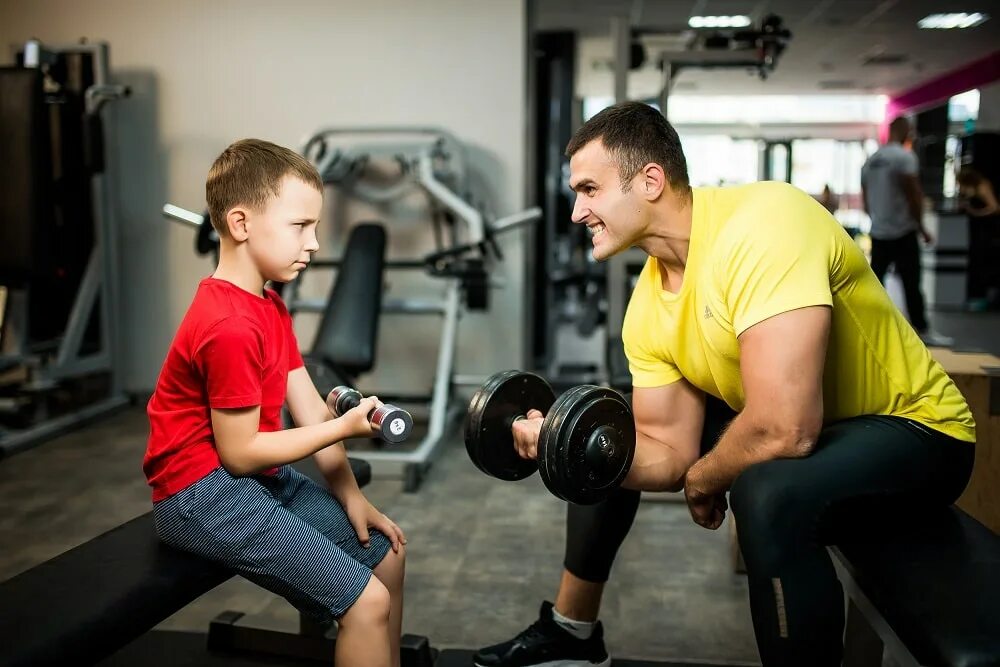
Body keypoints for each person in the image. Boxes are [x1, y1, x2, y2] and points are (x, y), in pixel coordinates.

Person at [474, 102, 975, 667]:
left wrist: (706, 479)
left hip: (916, 432)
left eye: (589, 189)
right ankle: (572, 633)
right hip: (823, 431)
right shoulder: (648, 303)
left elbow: (785, 429)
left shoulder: (764, 224)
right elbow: (665, 450)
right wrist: (560, 444)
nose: (575, 211)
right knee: (602, 431)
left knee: (766, 493)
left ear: (651, 180)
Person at [143, 139, 406, 667]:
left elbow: (309, 408)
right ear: (241, 224)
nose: (313, 243)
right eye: (300, 226)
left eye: (315, 227)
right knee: (366, 602)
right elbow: (240, 453)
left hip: (251, 477)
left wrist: (353, 497)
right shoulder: (230, 325)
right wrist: (345, 428)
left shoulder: (268, 306)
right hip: (199, 493)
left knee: (389, 559)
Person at [861, 117, 953, 346]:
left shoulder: (872, 160)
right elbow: (913, 194)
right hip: (902, 232)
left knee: (874, 284)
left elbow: (865, 197)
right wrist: (922, 227)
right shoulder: (903, 157)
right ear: (903, 131)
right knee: (912, 284)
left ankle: (867, 329)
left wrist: (875, 219)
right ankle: (922, 330)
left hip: (879, 231)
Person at [956, 166, 1000, 310]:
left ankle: (985, 298)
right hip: (977, 230)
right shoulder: (970, 188)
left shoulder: (982, 186)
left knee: (985, 263)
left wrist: (976, 213)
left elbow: (994, 207)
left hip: (987, 228)